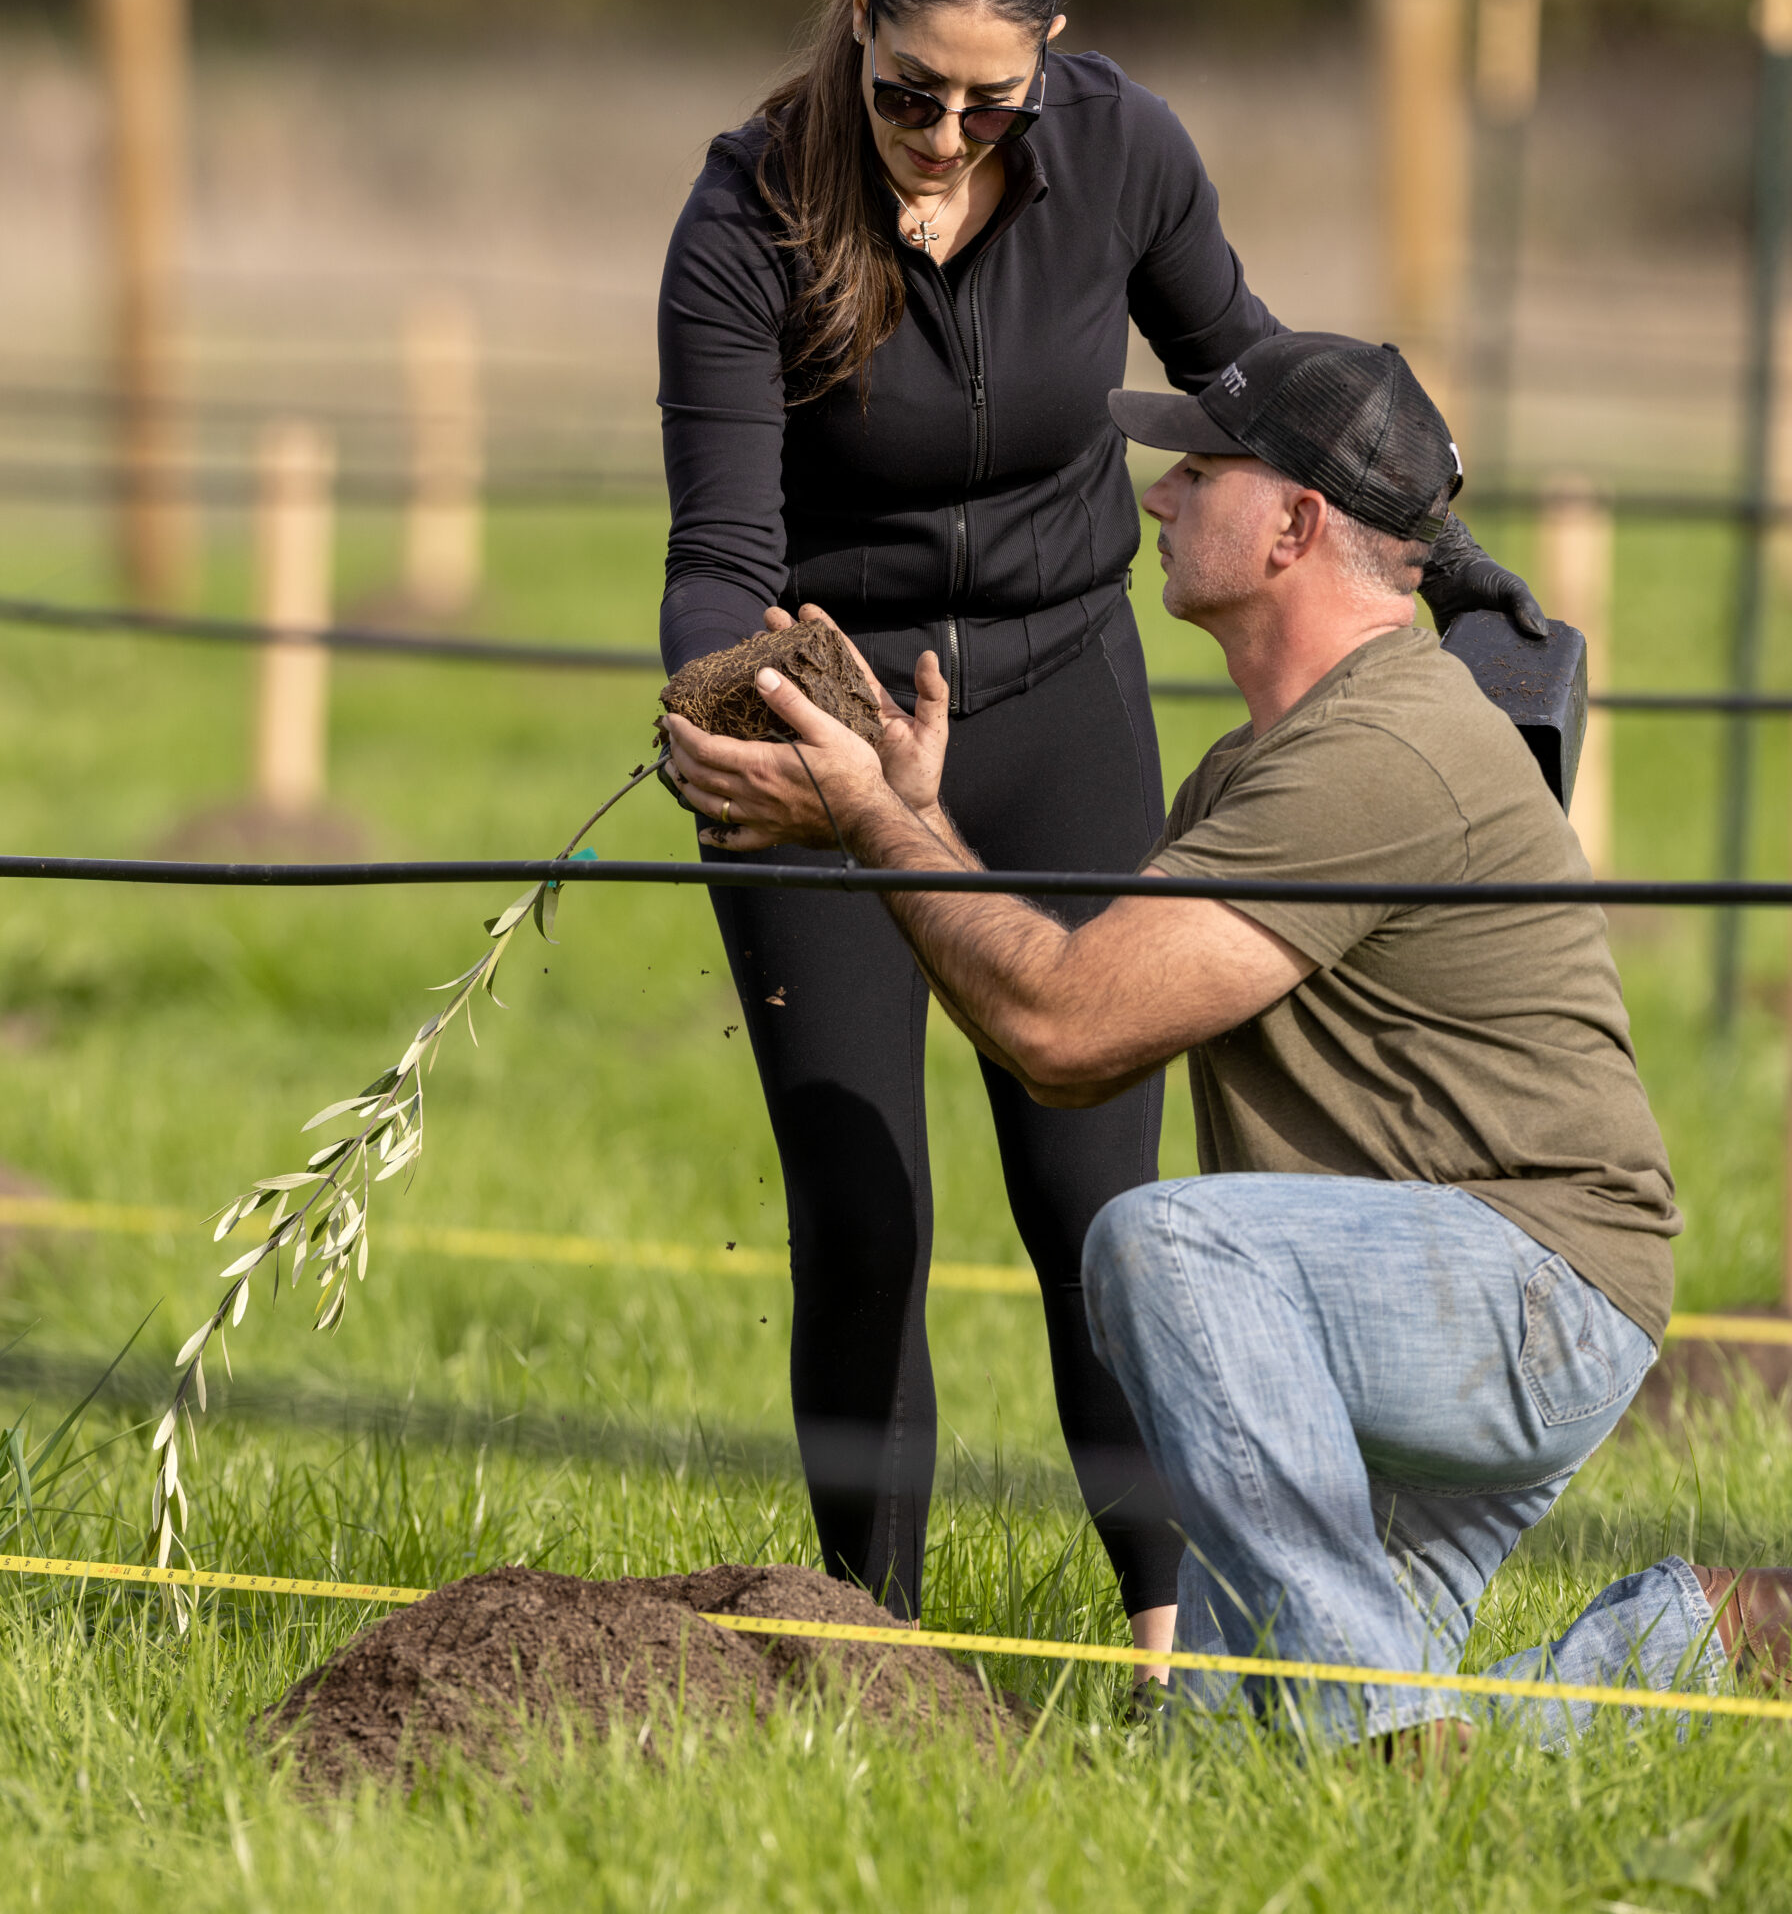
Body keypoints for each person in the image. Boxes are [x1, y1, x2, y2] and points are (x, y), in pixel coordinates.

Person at [662, 328, 1792, 1743]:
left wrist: (873, 826)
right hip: (1396, 1310)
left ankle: (1384, 1728)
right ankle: (1696, 1644)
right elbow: (1074, 1003)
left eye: (1198, 472)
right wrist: (913, 806)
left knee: (1157, 1244)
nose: (1155, 498)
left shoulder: (1379, 754)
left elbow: (1065, 1036)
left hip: (1524, 1293)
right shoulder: (1265, 767)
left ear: (1297, 527)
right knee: (1231, 1750)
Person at [657, 0, 1545, 1644]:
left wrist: (1443, 556)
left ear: (1048, 59)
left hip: (1066, 697)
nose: (944, 131)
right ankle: (871, 1655)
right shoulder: (750, 211)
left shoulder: (1124, 153)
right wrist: (722, 718)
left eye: (991, 98)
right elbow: (724, 553)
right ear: (858, 19)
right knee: (860, 1200)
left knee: (1094, 1204)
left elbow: (1252, 376)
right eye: (912, 88)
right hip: (838, 726)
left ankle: (1161, 1639)